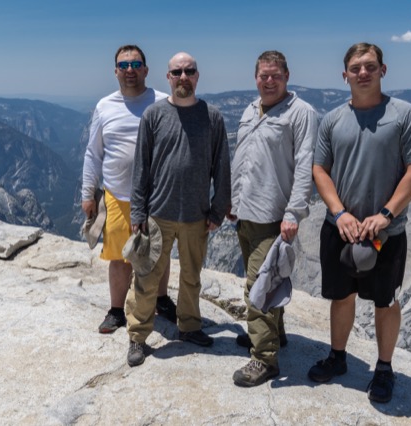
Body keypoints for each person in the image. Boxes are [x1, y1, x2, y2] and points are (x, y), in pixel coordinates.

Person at [308, 42, 411, 403]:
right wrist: (339, 213)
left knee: (384, 301)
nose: (363, 73)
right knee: (341, 296)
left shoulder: (404, 114)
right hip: (341, 230)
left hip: (385, 233)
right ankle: (338, 357)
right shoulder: (331, 120)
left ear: (383, 70)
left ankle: (384, 368)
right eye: (356, 67)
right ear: (344, 74)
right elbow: (320, 169)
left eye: (370, 66)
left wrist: (386, 214)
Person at [125, 52, 231, 367]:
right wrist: (137, 213)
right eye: (177, 72)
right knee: (146, 277)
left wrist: (218, 210)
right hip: (157, 214)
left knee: (191, 277)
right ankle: (137, 336)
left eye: (189, 71)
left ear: (197, 76)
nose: (183, 77)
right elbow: (140, 169)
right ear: (168, 77)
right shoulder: (154, 115)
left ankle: (189, 327)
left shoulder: (212, 117)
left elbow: (222, 166)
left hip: (197, 215)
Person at [229, 50, 318, 386]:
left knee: (258, 286)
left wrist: (294, 212)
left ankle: (264, 359)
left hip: (273, 215)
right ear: (256, 77)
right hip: (245, 213)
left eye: (275, 75)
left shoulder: (301, 113)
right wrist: (230, 200)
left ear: (287, 75)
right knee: (271, 279)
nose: (268, 81)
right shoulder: (251, 109)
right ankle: (273, 334)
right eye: (263, 75)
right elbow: (245, 159)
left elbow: (305, 165)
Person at [81, 45, 176, 334]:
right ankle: (116, 310)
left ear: (146, 70)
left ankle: (161, 299)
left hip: (156, 195)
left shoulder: (163, 102)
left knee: (158, 254)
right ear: (115, 72)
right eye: (124, 66)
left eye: (136, 65)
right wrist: (88, 193)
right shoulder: (104, 106)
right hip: (118, 195)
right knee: (119, 256)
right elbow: (93, 152)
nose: (130, 71)